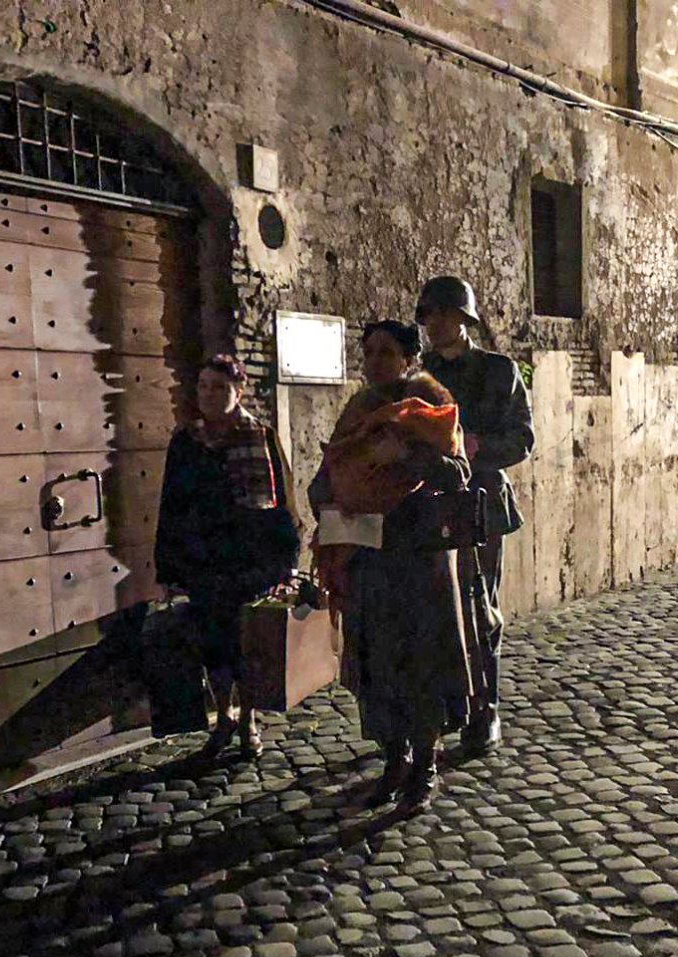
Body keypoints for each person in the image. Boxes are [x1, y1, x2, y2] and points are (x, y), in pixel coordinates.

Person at [309, 321, 474, 813]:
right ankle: (393, 758)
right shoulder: (357, 412)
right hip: (369, 561)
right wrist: (335, 494)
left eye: (387, 352)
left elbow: (458, 473)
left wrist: (408, 453)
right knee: (379, 664)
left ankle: (424, 765)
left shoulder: (432, 409)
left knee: (421, 662)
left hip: (418, 560)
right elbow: (325, 479)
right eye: (369, 352)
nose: (376, 361)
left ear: (408, 360)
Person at [154, 354, 300, 760]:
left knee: (248, 645)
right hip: (203, 559)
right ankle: (224, 715)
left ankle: (250, 717)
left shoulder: (260, 436)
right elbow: (171, 504)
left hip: (250, 558)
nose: (209, 395)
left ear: (239, 391)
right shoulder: (186, 441)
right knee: (213, 645)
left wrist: (287, 557)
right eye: (202, 386)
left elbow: (283, 499)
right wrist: (167, 564)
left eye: (219, 387)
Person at [415, 276, 534, 756]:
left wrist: (480, 446)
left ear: (464, 320)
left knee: (480, 609)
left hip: (479, 503)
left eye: (444, 314)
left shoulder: (498, 372)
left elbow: (522, 438)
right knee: (433, 611)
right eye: (429, 316)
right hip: (424, 505)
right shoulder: (415, 371)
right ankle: (446, 706)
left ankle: (485, 709)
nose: (435, 325)